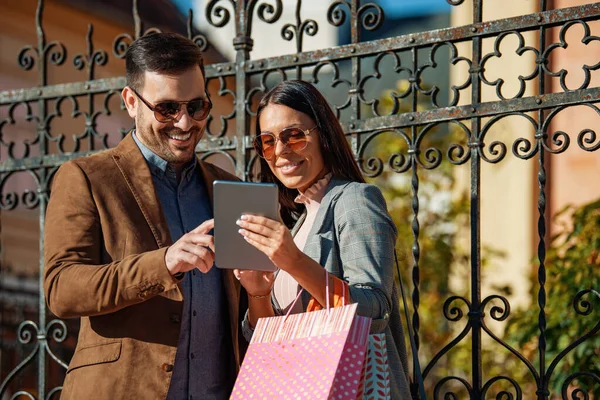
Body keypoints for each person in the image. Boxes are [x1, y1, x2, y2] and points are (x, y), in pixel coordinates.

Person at [44, 32, 243, 400]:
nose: (185, 124)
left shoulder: (230, 189)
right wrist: (163, 263)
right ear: (131, 102)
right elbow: (61, 288)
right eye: (167, 109)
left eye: (196, 106)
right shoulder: (86, 177)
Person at [234, 80, 412, 398]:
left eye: (294, 136)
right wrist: (258, 294)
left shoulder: (355, 199)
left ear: (323, 134)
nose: (281, 151)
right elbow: (269, 340)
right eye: (268, 142)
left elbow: (376, 310)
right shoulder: (300, 223)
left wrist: (294, 262)